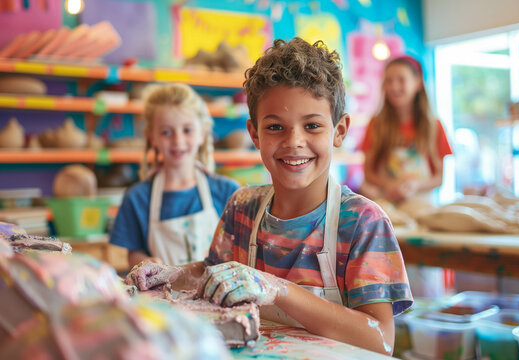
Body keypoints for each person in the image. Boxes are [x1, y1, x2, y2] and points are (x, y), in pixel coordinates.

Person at [126, 38, 413, 356]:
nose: (294, 142)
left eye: (313, 125)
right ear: (254, 134)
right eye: (276, 127)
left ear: (339, 130)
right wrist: (174, 274)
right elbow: (213, 274)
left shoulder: (362, 221)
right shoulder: (242, 207)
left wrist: (276, 288)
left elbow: (381, 340)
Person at [110, 83, 240, 267]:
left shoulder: (229, 192)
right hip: (163, 294)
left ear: (202, 133)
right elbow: (133, 254)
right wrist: (145, 263)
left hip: (218, 294)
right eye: (166, 132)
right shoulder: (137, 198)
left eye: (187, 130)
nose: (177, 140)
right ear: (151, 137)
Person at [358, 55, 453, 204]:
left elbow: (439, 178)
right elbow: (368, 173)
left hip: (421, 203)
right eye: (389, 81)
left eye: (401, 80)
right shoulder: (376, 124)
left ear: (418, 82)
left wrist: (416, 185)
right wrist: (389, 185)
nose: (394, 86)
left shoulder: (433, 126)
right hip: (386, 203)